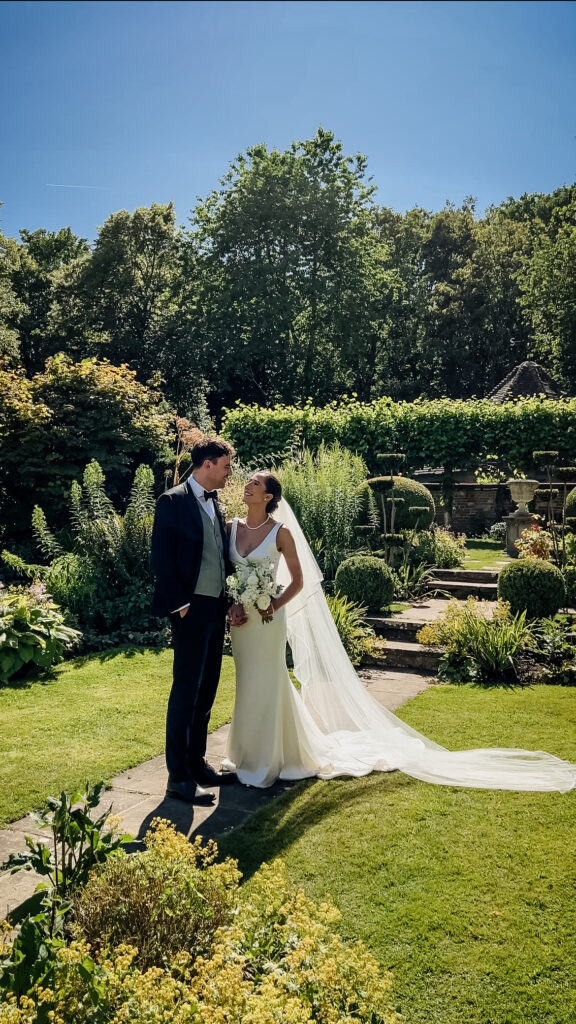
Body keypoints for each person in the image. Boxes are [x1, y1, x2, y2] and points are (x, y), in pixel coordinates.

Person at [223, 471, 576, 794]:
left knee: (269, 680)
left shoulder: (280, 532)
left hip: (268, 620)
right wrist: (232, 604)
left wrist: (274, 604)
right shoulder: (231, 527)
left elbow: (298, 580)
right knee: (246, 681)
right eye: (248, 482)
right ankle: (245, 754)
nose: (248, 485)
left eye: (256, 483)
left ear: (268, 496)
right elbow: (223, 573)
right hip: (242, 623)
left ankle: (269, 758)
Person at [151, 436, 238, 804]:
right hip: (190, 608)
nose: (229, 473)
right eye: (226, 465)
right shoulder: (172, 502)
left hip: (215, 607)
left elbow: (220, 556)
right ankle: (179, 778)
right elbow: (161, 557)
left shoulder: (213, 504)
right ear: (207, 464)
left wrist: (230, 598)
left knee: (207, 688)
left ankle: (197, 762)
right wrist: (180, 605)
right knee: (186, 690)